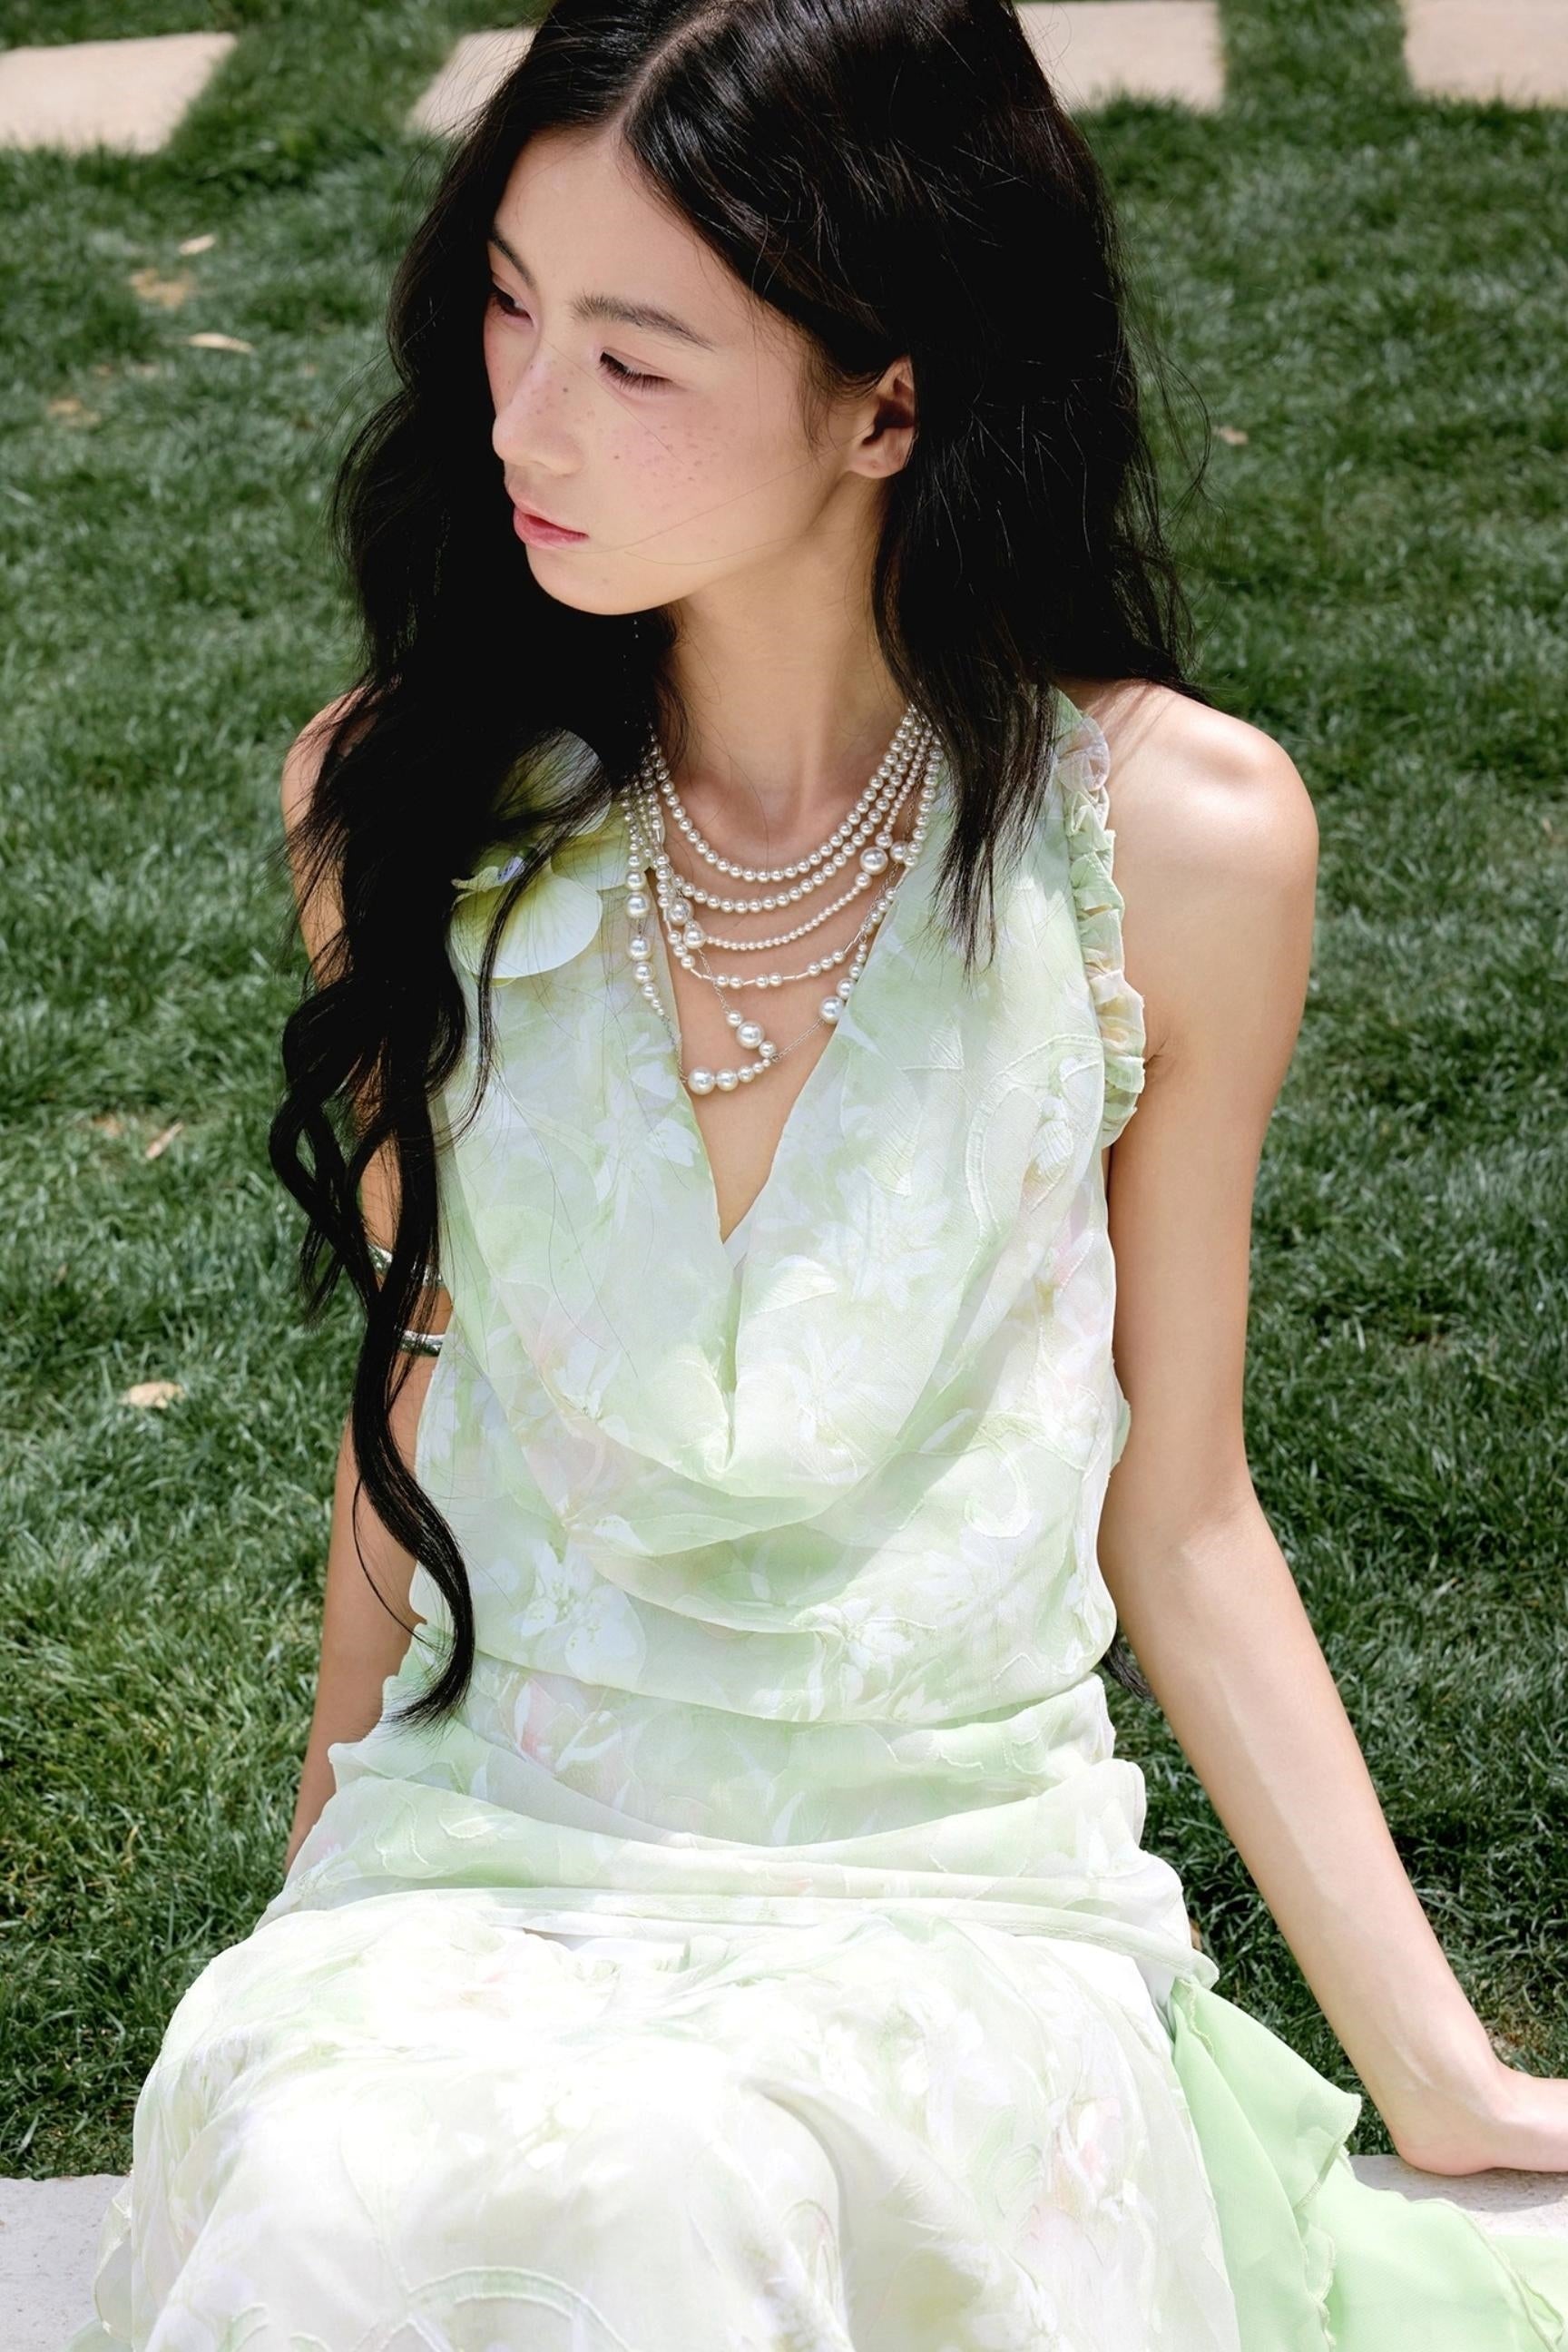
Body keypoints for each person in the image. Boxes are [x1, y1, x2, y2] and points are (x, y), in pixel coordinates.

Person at [68, 2, 1568, 2346]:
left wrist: (1440, 2071)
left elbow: (1178, 1505)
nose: (523, 419)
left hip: (943, 1898)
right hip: (491, 1860)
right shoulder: (410, 806)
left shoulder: (1166, 845)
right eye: (507, 312)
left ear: (889, 401)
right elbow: (420, 1410)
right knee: (344, 2185)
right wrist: (318, 1927)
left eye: (631, 357)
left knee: (675, 2191)